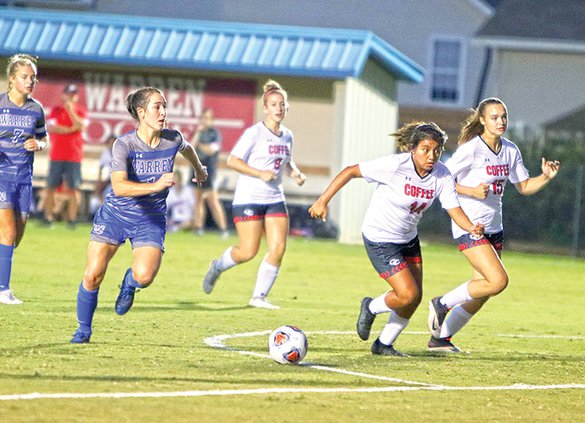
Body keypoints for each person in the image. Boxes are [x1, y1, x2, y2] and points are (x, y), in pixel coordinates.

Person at [309, 122, 484, 356]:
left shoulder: (442, 174)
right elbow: (351, 170)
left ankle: (384, 344)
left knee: (414, 297)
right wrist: (322, 201)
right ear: (412, 148)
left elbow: (454, 210)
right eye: (425, 149)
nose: (431, 156)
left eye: (437, 150)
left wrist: (472, 227)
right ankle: (370, 307)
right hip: (380, 239)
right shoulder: (395, 166)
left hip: (408, 239)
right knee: (407, 294)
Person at [70, 86, 207, 343]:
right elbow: (119, 187)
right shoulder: (124, 145)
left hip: (150, 220)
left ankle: (129, 283)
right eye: (158, 107)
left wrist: (199, 169)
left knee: (144, 276)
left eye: (165, 106)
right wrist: (155, 185)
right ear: (141, 112)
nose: (163, 112)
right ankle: (83, 330)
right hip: (115, 215)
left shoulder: (172, 138)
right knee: (93, 274)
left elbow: (187, 148)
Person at [427, 98, 560, 353]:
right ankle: (441, 303)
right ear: (482, 120)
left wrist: (545, 176)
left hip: (493, 229)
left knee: (483, 291)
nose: (500, 122)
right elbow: (440, 179)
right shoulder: (471, 149)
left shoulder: (510, 150)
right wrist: (471, 191)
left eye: (504, 117)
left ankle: (440, 339)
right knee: (498, 281)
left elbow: (524, 187)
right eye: (494, 117)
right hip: (469, 226)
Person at [201, 80, 306, 309]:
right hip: (249, 197)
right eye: (274, 104)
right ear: (265, 108)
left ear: (286, 108)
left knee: (278, 249)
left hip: (275, 198)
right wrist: (259, 173)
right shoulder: (254, 133)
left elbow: (285, 161)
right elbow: (233, 160)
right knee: (248, 251)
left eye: (282, 104)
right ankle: (218, 266)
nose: (278, 108)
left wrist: (295, 173)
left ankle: (258, 297)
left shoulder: (287, 135)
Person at [0, 54, 49, 305]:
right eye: (25, 77)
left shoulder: (36, 109)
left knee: (15, 237)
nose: (30, 81)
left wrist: (38, 145)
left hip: (24, 179)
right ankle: (3, 290)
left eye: (33, 78)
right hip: (1, 178)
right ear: (11, 79)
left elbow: (45, 139)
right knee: (6, 233)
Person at [43, 83, 87, 228]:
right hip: (57, 155)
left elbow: (80, 126)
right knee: (51, 187)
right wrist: (70, 129)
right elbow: (52, 128)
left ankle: (72, 219)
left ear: (77, 96)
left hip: (74, 156)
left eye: (73, 94)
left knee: (74, 188)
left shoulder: (81, 111)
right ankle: (48, 218)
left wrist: (71, 111)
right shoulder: (55, 110)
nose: (70, 97)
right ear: (63, 95)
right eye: (68, 94)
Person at [190, 108, 229, 238]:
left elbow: (212, 150)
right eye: (203, 118)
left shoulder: (215, 134)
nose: (205, 121)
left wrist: (200, 145)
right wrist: (197, 134)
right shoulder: (199, 133)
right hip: (196, 170)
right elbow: (190, 148)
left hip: (209, 171)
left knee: (213, 200)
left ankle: (223, 230)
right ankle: (199, 228)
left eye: (208, 118)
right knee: (198, 201)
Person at [89, 134, 115, 217]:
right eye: (110, 143)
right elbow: (101, 167)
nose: (111, 145)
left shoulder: (121, 153)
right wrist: (99, 180)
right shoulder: (105, 152)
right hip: (106, 179)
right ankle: (93, 214)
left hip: (116, 179)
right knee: (97, 194)